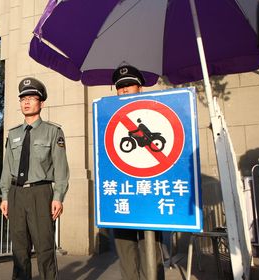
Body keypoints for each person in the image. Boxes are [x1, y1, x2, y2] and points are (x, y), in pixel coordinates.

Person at [0, 77, 70, 280]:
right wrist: (5, 196)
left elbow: (61, 168)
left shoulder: (53, 132)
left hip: (41, 193)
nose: (26, 102)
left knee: (45, 248)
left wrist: (58, 196)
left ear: (41, 103)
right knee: (19, 250)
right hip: (16, 194)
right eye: (23, 98)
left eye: (31, 98)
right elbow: (7, 168)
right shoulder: (13, 135)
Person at [112, 65, 165, 280]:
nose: (124, 90)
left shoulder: (154, 110)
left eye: (128, 85)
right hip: (120, 193)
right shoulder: (107, 115)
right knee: (126, 255)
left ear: (139, 88)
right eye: (120, 86)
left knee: (152, 254)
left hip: (149, 194)